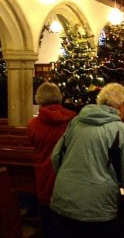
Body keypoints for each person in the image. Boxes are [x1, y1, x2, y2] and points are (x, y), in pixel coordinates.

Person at [50, 83, 124, 238]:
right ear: (122, 106)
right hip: (96, 208)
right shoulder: (120, 130)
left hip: (62, 200)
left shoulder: (76, 121)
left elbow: (55, 157)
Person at [27, 82, 76, 238]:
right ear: (58, 97)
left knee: (48, 223)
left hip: (43, 174)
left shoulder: (33, 124)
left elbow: (33, 143)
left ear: (39, 98)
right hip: (68, 177)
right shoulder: (73, 119)